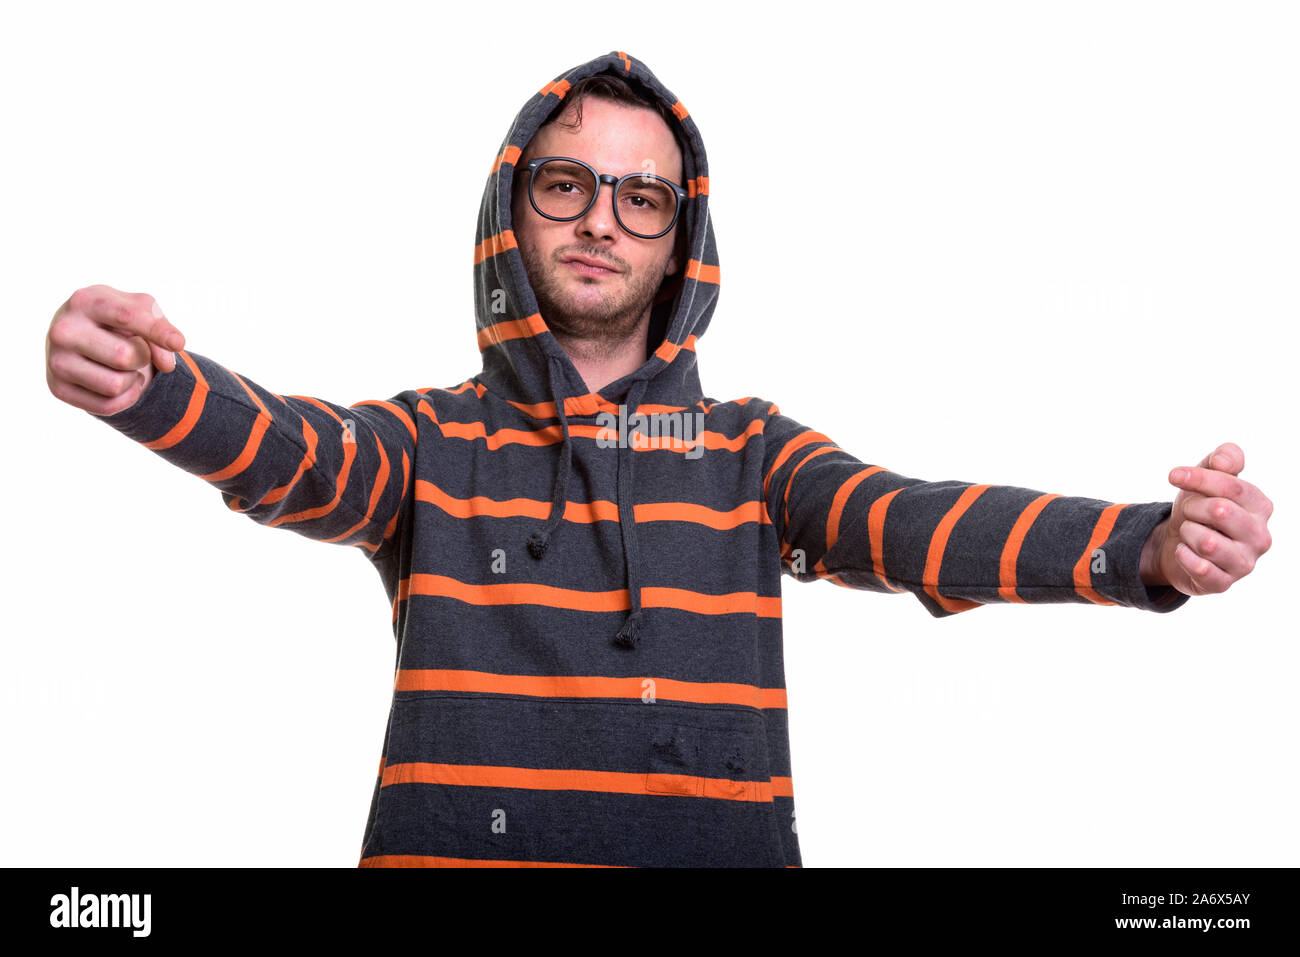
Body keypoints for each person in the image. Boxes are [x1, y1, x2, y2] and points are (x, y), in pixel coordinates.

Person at [46, 50, 1272, 867]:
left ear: (680, 236)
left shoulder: (746, 452)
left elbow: (911, 524)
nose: (599, 219)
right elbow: (296, 455)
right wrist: (155, 389)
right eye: (568, 182)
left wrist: (1143, 547)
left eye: (642, 196)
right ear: (512, 210)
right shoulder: (424, 441)